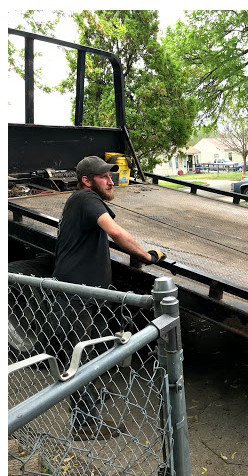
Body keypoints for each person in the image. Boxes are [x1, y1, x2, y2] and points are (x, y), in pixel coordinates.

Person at [52, 155, 166, 439]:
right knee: (78, 355)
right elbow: (115, 232)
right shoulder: (87, 199)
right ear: (87, 181)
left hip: (84, 293)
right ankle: (84, 423)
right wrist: (145, 255)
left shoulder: (80, 201)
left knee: (91, 349)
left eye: (109, 175)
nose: (110, 180)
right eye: (103, 176)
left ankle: (87, 400)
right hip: (77, 293)